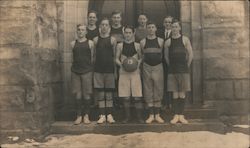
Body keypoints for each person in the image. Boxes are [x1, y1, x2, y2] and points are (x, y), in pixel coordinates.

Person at [164, 19, 193, 124]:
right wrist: (171, 67)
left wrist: (187, 66)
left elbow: (191, 54)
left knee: (182, 93)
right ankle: (176, 115)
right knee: (175, 94)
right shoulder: (168, 42)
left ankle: (181, 115)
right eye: (173, 27)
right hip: (172, 71)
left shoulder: (185, 39)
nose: (175, 29)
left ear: (180, 28)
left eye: (176, 26)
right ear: (171, 28)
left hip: (183, 70)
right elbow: (166, 57)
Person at [115, 26, 144, 123]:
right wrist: (122, 65)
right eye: (126, 33)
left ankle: (139, 117)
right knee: (126, 97)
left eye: (129, 33)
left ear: (133, 33)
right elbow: (116, 59)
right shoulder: (120, 45)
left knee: (137, 96)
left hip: (135, 73)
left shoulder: (137, 45)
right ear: (124, 33)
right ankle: (127, 117)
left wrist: (136, 65)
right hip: (124, 73)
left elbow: (141, 58)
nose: (127, 34)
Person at [93, 18, 117, 124]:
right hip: (98, 70)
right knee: (101, 94)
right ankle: (102, 115)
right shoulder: (95, 40)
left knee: (109, 94)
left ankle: (109, 115)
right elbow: (93, 56)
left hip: (109, 70)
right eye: (102, 25)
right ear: (99, 27)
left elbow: (115, 57)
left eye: (106, 25)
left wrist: (115, 71)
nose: (104, 27)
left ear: (109, 27)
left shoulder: (112, 40)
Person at [140, 21, 165, 124]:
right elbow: (142, 55)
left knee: (158, 89)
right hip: (147, 67)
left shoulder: (161, 41)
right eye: (149, 27)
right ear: (147, 29)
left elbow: (163, 55)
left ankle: (157, 115)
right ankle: (151, 115)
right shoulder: (142, 42)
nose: (150, 29)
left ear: (155, 29)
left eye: (152, 27)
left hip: (158, 67)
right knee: (148, 89)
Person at [71, 24, 94, 125]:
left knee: (86, 94)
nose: (80, 32)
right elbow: (72, 58)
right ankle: (79, 115)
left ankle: (86, 115)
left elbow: (92, 58)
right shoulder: (72, 43)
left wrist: (89, 69)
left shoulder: (90, 43)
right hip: (75, 71)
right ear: (77, 31)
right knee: (78, 95)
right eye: (79, 30)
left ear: (86, 32)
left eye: (82, 30)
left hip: (87, 71)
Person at [158, 16, 174, 110]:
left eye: (170, 22)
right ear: (163, 24)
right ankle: (164, 102)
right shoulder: (159, 33)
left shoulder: (175, 33)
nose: (168, 24)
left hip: (171, 61)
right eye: (166, 22)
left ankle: (171, 103)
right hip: (161, 62)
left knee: (171, 82)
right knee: (163, 82)